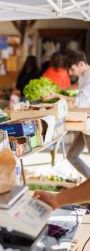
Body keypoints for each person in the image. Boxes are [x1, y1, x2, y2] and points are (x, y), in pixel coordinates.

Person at [43, 50, 90, 178]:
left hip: (88, 123)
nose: (70, 73)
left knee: (72, 156)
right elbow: (76, 86)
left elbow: (80, 102)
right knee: (72, 156)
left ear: (81, 64)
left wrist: (57, 95)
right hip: (84, 122)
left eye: (72, 69)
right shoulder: (84, 74)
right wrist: (59, 89)